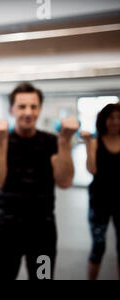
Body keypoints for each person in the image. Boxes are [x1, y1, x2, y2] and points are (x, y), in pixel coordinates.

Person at [0, 82, 79, 280]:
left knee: (42, 278)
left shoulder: (52, 142)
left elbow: (65, 181)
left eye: (33, 106)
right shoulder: (0, 140)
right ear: (12, 109)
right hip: (7, 230)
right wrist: (1, 143)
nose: (28, 112)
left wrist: (65, 142)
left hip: (42, 232)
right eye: (22, 106)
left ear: (40, 109)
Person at [81, 103, 120, 280]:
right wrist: (88, 144)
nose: (115, 121)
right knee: (99, 245)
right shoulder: (96, 142)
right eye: (111, 117)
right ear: (104, 120)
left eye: (118, 118)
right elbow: (92, 169)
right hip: (100, 200)